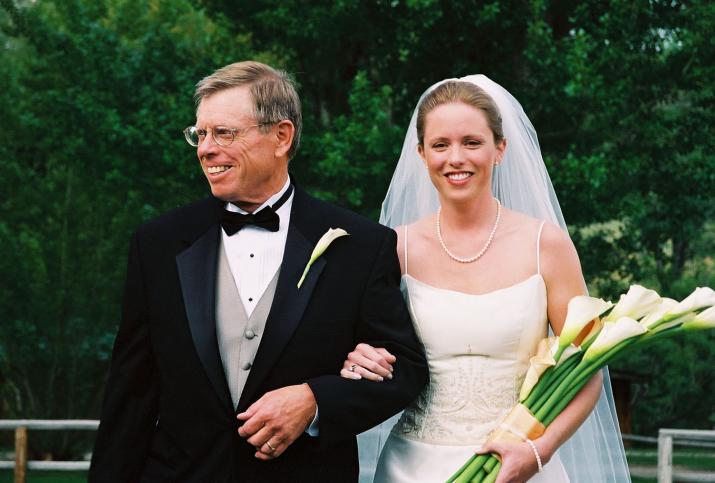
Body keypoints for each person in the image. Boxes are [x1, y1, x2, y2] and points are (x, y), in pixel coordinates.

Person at [89, 60, 428, 483]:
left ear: (281, 136)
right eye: (201, 134)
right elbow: (131, 393)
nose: (206, 148)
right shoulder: (157, 244)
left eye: (224, 133)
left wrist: (315, 400)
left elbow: (406, 368)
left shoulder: (359, 245)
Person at [344, 76, 631, 482]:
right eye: (440, 145)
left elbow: (588, 372)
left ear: (500, 149)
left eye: (472, 142)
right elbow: (362, 346)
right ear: (421, 154)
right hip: (411, 468)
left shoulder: (545, 244)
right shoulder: (395, 249)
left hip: (520, 465)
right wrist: (357, 357)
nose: (455, 158)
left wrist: (537, 452)